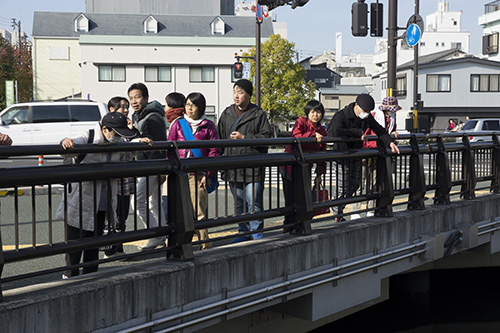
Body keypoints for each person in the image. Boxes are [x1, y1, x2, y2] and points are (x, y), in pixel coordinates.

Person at [56, 112, 150, 278]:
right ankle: (70, 276)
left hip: (103, 201)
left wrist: (138, 142)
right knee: (74, 243)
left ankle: (90, 276)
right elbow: (72, 144)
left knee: (95, 242)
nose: (118, 138)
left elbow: (127, 153)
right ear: (105, 129)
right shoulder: (89, 135)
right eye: (116, 134)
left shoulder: (118, 141)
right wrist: (66, 141)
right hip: (81, 198)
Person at [327, 94, 400, 222]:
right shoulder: (341, 115)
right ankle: (337, 213)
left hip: (356, 154)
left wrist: (390, 142)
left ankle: (337, 208)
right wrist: (357, 132)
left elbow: (380, 130)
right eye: (364, 111)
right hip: (341, 155)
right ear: (356, 106)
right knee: (342, 186)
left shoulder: (366, 118)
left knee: (355, 185)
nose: (366, 114)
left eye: (368, 112)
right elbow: (337, 131)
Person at [217, 79, 272, 242]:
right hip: (233, 165)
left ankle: (256, 231)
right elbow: (219, 138)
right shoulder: (227, 113)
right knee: (239, 202)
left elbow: (267, 137)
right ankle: (243, 231)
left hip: (253, 166)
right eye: (235, 92)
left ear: (249, 95)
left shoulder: (258, 114)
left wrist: (244, 137)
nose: (236, 96)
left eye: (240, 92)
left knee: (253, 200)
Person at [167, 92, 219, 250]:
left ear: (200, 107)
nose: (189, 108)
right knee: (181, 211)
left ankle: (204, 243)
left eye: (193, 105)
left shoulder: (209, 126)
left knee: (200, 211)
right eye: (187, 104)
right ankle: (182, 244)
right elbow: (169, 147)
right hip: (181, 173)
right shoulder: (178, 124)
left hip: (199, 175)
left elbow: (214, 151)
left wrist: (207, 174)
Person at [128, 83, 168, 250]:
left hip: (152, 166)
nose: (134, 101)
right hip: (148, 165)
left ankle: (156, 234)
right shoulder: (139, 115)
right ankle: (163, 233)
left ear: (146, 98)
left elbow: (159, 144)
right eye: (131, 98)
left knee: (137, 201)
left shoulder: (152, 118)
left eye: (137, 97)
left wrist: (160, 170)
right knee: (154, 203)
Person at [281, 100, 327, 232]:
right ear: (307, 113)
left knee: (303, 199)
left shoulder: (322, 130)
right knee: (290, 198)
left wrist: (319, 174)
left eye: (318, 112)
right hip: (290, 167)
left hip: (305, 168)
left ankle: (299, 224)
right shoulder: (301, 122)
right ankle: (288, 226)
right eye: (312, 112)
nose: (315, 115)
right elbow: (296, 136)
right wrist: (313, 135)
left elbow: (322, 154)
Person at [352, 96, 400, 219]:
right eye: (390, 110)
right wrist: (362, 151)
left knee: (373, 183)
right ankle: (355, 211)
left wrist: (393, 135)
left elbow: (387, 133)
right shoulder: (372, 117)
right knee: (360, 183)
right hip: (366, 152)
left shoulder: (392, 120)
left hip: (378, 153)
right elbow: (365, 134)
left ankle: (371, 209)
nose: (392, 113)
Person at [102, 97, 137, 258]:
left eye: (126, 107)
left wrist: (132, 130)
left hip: (126, 180)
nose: (125, 110)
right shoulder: (108, 129)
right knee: (111, 215)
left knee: (122, 214)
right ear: (111, 109)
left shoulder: (128, 128)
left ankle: (119, 246)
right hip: (111, 181)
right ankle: (110, 248)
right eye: (121, 107)